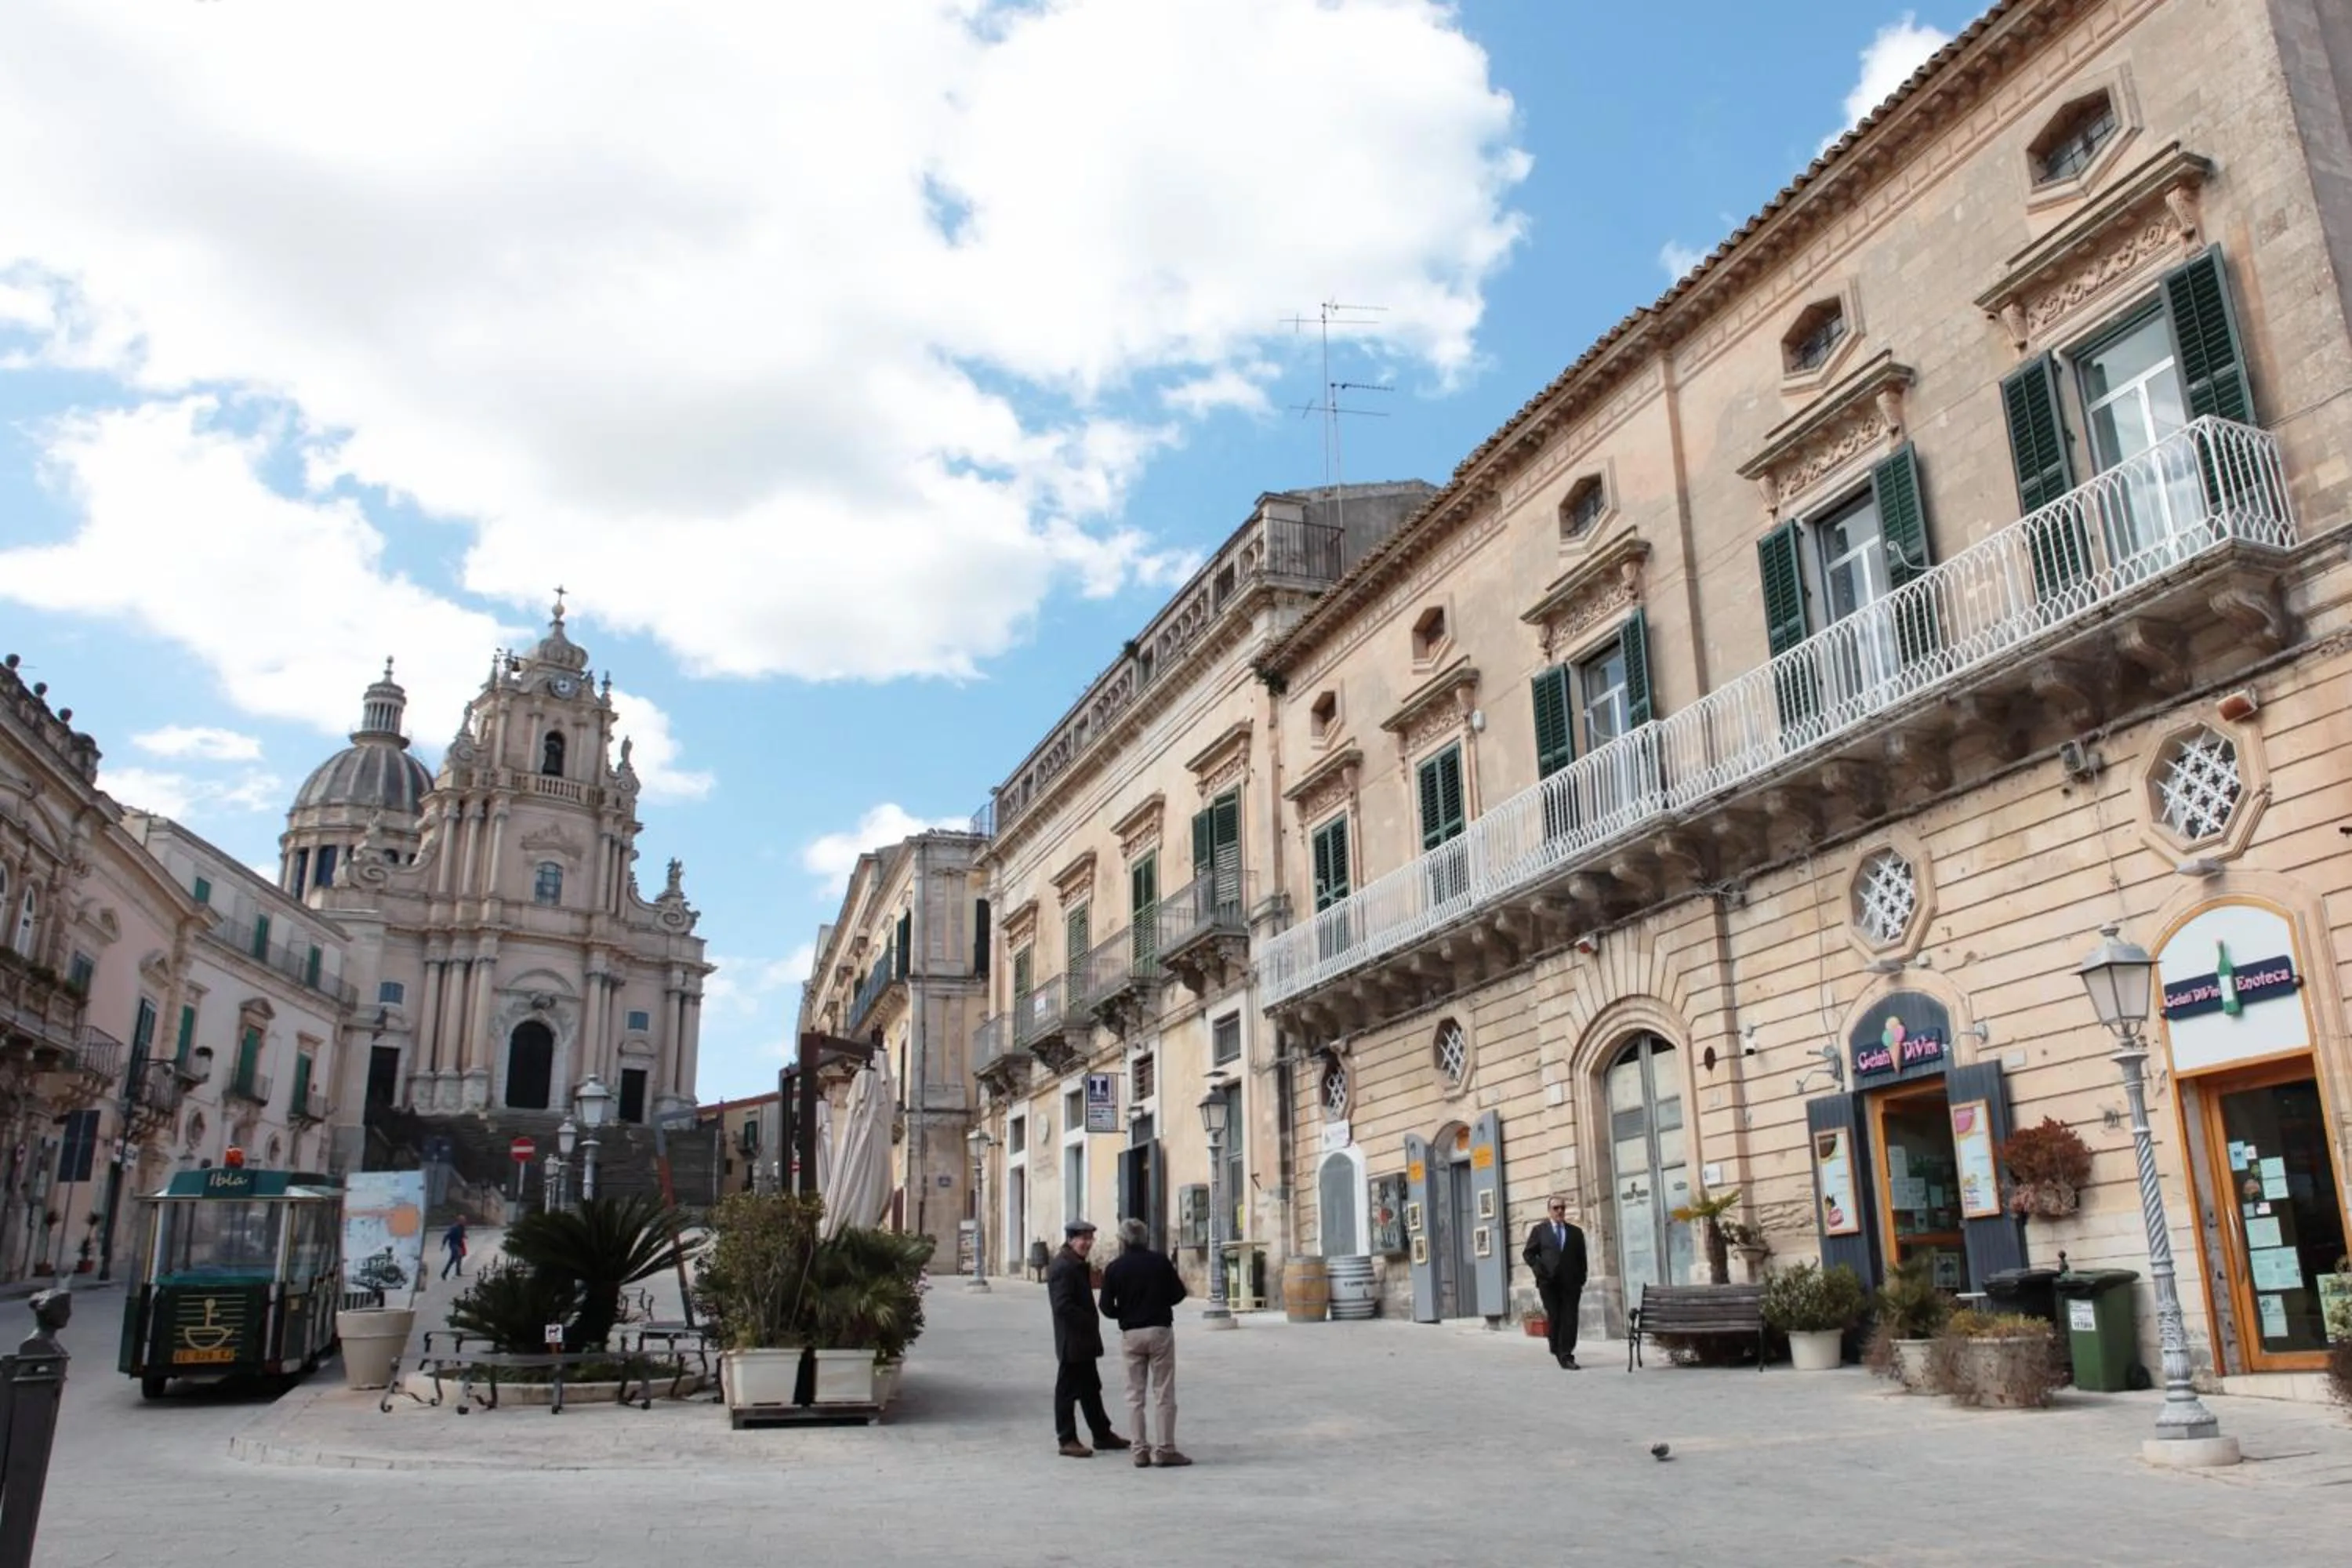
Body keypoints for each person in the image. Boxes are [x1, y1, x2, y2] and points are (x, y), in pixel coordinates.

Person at [1098, 1218, 1191, 1468]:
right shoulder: (1160, 1262)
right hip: (1159, 1330)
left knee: (1134, 1395)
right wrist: (1158, 1303)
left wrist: (1125, 1314)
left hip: (1132, 1333)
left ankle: (1139, 1450)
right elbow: (1179, 1294)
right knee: (1164, 1392)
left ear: (1122, 1241)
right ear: (1145, 1238)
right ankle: (1165, 1449)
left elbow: (1105, 1307)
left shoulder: (1115, 1268)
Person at [1046, 1219, 1129, 1458]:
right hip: (1072, 1339)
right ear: (1071, 1240)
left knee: (1090, 1388)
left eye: (1090, 1239)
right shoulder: (1064, 1267)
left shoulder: (1075, 1263)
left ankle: (1102, 1434)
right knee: (1066, 1391)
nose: (1088, 1244)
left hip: (1081, 1339)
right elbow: (1062, 1305)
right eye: (1083, 1239)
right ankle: (1067, 1439)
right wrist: (1085, 1320)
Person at [1521, 1196, 1588, 1370]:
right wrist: (1539, 1270)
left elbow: (1582, 1259)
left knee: (1570, 1319)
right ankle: (1557, 1347)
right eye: (1556, 1208)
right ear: (1549, 1211)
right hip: (1548, 1283)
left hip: (1571, 1284)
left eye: (1562, 1208)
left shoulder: (1575, 1232)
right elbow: (1528, 1254)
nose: (1560, 1211)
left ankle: (1566, 1354)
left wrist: (1581, 1278)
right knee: (1556, 1316)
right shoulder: (1540, 1231)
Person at [441, 1216, 469, 1280]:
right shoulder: (454, 1227)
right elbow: (446, 1236)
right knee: (459, 1255)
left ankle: (444, 1274)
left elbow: (462, 1234)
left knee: (452, 1260)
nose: (464, 1222)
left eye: (465, 1221)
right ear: (459, 1221)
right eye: (463, 1221)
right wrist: (443, 1245)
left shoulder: (462, 1227)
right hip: (453, 1244)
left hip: (459, 1244)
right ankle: (458, 1273)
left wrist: (465, 1236)